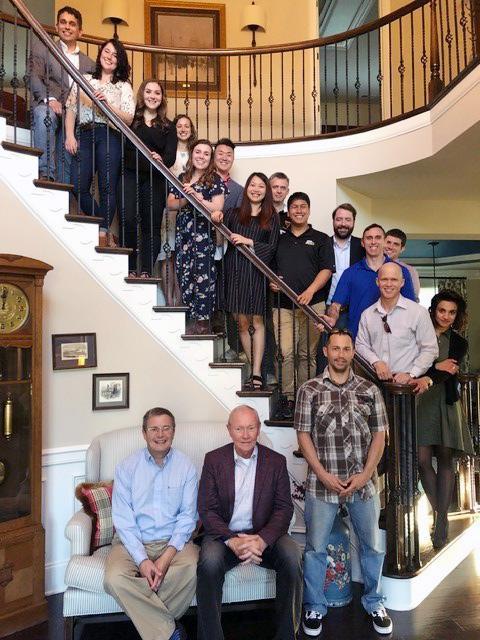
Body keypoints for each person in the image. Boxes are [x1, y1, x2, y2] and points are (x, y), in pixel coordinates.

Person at [295, 330, 393, 636]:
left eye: (346, 349)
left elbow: (379, 435)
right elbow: (303, 435)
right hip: (322, 485)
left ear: (353, 353)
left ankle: (374, 600)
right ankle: (315, 606)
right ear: (326, 351)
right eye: (335, 348)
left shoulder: (369, 390)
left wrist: (365, 474)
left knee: (373, 547)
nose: (340, 354)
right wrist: (323, 474)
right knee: (315, 548)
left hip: (363, 484)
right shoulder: (308, 390)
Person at [196, 404, 303, 640]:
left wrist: (263, 540)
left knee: (293, 555)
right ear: (229, 430)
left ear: (258, 430)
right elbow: (207, 509)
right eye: (239, 429)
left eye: (251, 428)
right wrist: (232, 540)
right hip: (225, 536)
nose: (245, 435)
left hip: (263, 535)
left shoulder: (275, 462)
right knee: (209, 563)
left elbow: (284, 508)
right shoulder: (214, 460)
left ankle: (287, 635)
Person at [104, 407, 199, 640]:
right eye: (154, 429)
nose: (160, 434)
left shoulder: (186, 466)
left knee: (195, 569)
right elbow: (124, 521)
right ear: (144, 433)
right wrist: (143, 560)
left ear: (174, 432)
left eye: (166, 428)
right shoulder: (127, 467)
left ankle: (153, 627)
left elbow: (188, 517)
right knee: (113, 578)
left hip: (173, 542)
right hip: (131, 542)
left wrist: (166, 557)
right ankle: (169, 631)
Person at [417, 290, 475, 549]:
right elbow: (408, 363)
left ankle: (440, 522)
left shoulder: (460, 343)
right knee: (421, 460)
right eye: (442, 310)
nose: (446, 316)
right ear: (433, 310)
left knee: (445, 460)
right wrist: (435, 368)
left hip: (446, 402)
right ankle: (440, 512)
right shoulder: (420, 333)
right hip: (420, 401)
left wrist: (433, 372)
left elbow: (449, 371)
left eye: (452, 312)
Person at [211, 173, 280, 389]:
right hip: (234, 271)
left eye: (261, 186)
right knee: (241, 323)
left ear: (266, 191)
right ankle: (252, 368)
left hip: (256, 273)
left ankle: (257, 372)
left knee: (257, 322)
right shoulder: (232, 213)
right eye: (252, 185)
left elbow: (272, 247)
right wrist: (216, 222)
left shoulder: (272, 216)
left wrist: (248, 241)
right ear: (246, 188)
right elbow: (221, 240)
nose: (256, 189)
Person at [65, 38, 135, 246]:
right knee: (77, 185)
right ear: (100, 53)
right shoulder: (85, 79)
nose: (110, 57)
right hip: (84, 134)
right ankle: (101, 225)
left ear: (119, 61)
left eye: (115, 55)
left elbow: (129, 118)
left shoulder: (123, 85)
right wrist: (70, 135)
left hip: (109, 135)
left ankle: (103, 233)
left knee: (107, 187)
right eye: (107, 51)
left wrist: (107, 105)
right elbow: (71, 108)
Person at [270, 191, 334, 403]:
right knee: (285, 353)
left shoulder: (321, 239)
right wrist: (273, 282)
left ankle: (306, 397)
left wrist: (310, 291)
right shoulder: (278, 238)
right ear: (288, 211)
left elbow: (326, 270)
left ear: (308, 210)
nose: (299, 210)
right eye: (294, 207)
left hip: (313, 306)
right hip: (283, 306)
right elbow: (270, 268)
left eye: (303, 207)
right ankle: (288, 398)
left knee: (307, 354)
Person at [167, 139, 225, 334]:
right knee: (185, 276)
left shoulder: (214, 180)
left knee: (204, 279)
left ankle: (203, 322)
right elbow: (170, 205)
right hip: (184, 236)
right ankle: (193, 319)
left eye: (206, 153)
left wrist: (199, 199)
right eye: (198, 152)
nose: (201, 156)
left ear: (210, 158)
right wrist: (186, 198)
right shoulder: (182, 177)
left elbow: (217, 208)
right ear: (192, 155)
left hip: (203, 237)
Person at [30, 5, 94, 183]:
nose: (67, 27)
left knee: (67, 158)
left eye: (72, 24)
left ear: (80, 31)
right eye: (63, 22)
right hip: (48, 106)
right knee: (45, 114)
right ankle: (45, 174)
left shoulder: (90, 64)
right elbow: (33, 76)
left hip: (73, 117)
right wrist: (49, 100)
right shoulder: (43, 48)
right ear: (57, 26)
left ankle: (62, 196)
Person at [122, 79, 177, 277]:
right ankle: (129, 267)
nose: (152, 96)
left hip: (155, 179)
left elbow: (170, 157)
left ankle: (145, 270)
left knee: (151, 225)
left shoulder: (168, 127)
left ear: (162, 98)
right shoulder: (130, 120)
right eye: (148, 91)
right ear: (141, 94)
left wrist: (161, 158)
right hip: (129, 173)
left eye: (157, 93)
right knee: (127, 219)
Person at [355, 262, 438, 387]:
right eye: (384, 279)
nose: (389, 284)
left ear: (402, 282)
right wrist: (376, 362)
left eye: (394, 280)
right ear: (377, 282)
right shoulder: (367, 314)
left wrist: (411, 374)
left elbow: (430, 349)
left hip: (407, 385)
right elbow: (361, 344)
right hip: (374, 382)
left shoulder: (418, 312)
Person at [325, 223, 416, 337]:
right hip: (357, 339)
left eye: (378, 238)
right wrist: (332, 318)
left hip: (393, 340)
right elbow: (336, 305)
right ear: (363, 243)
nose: (373, 242)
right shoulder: (350, 273)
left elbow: (411, 307)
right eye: (369, 238)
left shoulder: (401, 271)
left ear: (384, 242)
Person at [159, 114, 196, 305]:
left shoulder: (196, 152)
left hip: (190, 210)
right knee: (168, 253)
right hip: (171, 206)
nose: (182, 129)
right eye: (179, 126)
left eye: (186, 126)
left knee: (184, 255)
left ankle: (182, 302)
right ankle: (169, 300)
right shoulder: (168, 150)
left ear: (192, 130)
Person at [326, 203, 365, 313]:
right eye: (339, 219)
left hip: (357, 309)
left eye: (348, 220)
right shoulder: (322, 245)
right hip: (327, 308)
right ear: (333, 221)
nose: (343, 224)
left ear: (354, 222)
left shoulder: (363, 247)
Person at [384, 228, 421, 301]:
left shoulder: (410, 270)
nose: (390, 247)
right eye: (388, 242)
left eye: (396, 244)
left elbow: (414, 296)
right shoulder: (374, 265)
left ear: (402, 249)